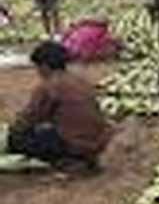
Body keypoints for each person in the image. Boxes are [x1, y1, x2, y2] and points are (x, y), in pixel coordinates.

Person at [6, 41, 111, 170]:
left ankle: (68, 159)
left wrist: (13, 130)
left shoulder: (49, 86)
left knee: (17, 139)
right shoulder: (80, 81)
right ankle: (81, 157)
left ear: (45, 66)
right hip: (97, 143)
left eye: (38, 67)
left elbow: (30, 118)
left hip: (75, 144)